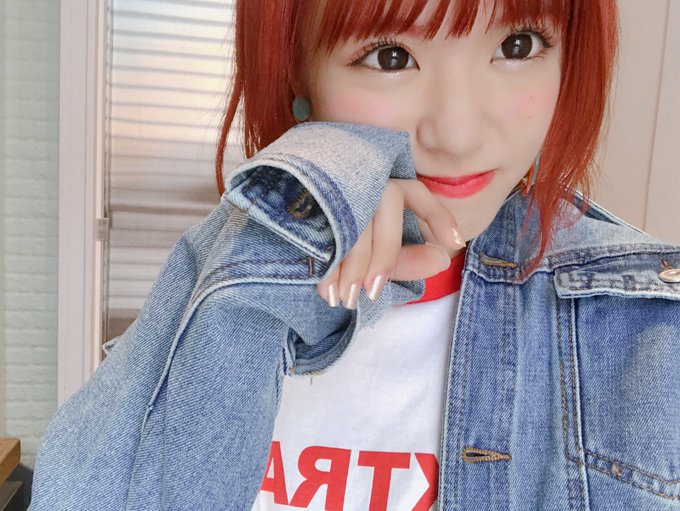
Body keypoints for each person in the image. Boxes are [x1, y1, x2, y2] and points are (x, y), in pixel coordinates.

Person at [31, 0, 680, 509]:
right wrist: (304, 202)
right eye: (390, 56)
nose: (457, 134)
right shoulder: (232, 278)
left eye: (517, 46)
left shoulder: (644, 333)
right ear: (296, 68)